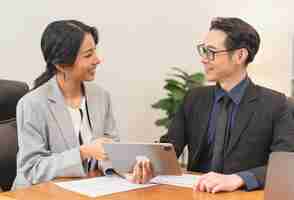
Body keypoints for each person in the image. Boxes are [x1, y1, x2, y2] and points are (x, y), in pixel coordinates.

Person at [160, 17, 294, 193]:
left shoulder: (276, 104)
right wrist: (148, 163)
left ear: (240, 55)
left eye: (212, 52)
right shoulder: (194, 98)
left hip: (242, 196)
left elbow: (286, 165)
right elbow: (170, 147)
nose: (204, 59)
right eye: (203, 51)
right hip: (196, 193)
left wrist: (239, 178)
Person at [13, 20, 152, 189]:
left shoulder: (101, 96)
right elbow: (33, 169)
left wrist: (124, 171)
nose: (97, 60)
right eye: (88, 55)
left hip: (89, 190)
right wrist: (83, 152)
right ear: (61, 64)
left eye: (95, 52)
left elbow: (109, 151)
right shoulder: (32, 104)